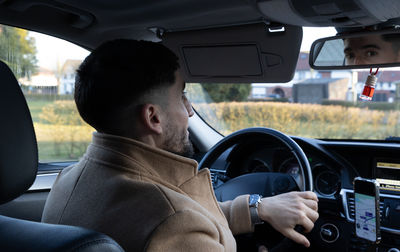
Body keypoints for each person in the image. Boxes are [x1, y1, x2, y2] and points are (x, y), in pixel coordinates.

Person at [41, 39, 319, 251]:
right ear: (153, 117)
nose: (189, 111)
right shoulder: (174, 223)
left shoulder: (67, 181)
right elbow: (176, 218)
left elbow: (175, 214)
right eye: (182, 96)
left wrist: (258, 208)